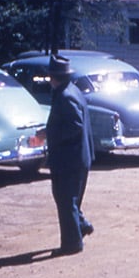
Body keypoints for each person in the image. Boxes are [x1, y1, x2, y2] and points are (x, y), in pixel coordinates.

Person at [46, 55, 95, 257]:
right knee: (69, 199)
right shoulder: (70, 91)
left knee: (65, 200)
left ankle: (72, 243)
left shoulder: (65, 95)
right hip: (76, 157)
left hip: (70, 158)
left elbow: (75, 126)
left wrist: (50, 134)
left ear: (53, 76)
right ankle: (81, 226)